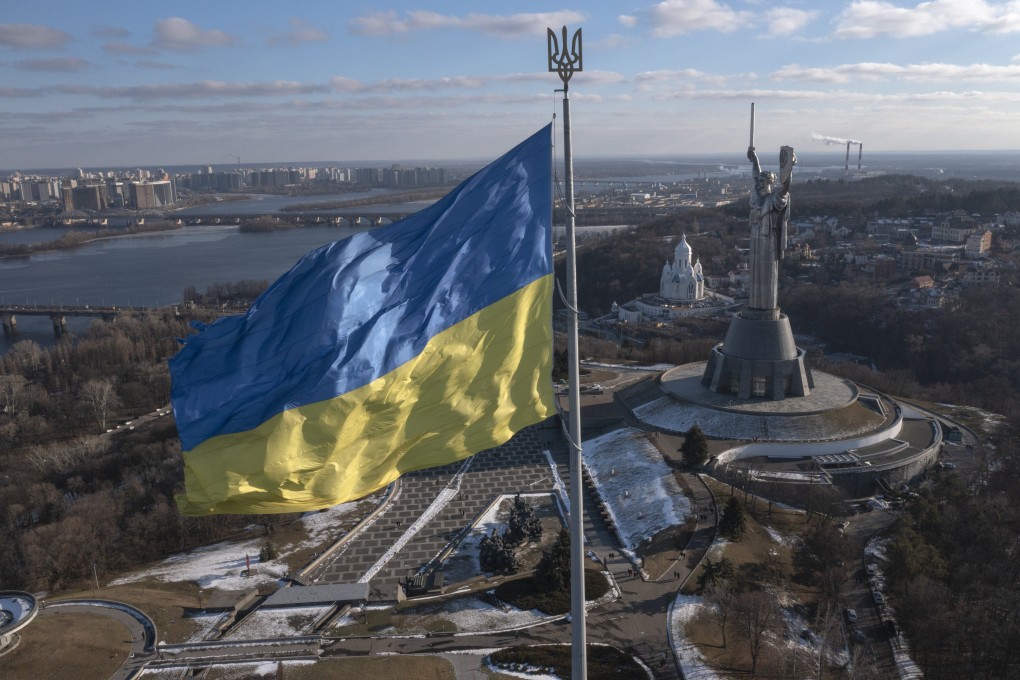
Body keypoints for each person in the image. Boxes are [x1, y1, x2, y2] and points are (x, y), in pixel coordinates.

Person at [746, 146, 795, 312]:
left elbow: (785, 187)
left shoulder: (774, 198)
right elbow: (755, 174)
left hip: (768, 238)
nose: (759, 183)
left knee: (767, 271)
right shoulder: (757, 195)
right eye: (759, 181)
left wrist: (788, 168)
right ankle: (754, 305)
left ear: (770, 183)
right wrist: (755, 160)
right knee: (755, 270)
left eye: (763, 181)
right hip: (755, 235)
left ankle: (766, 307)